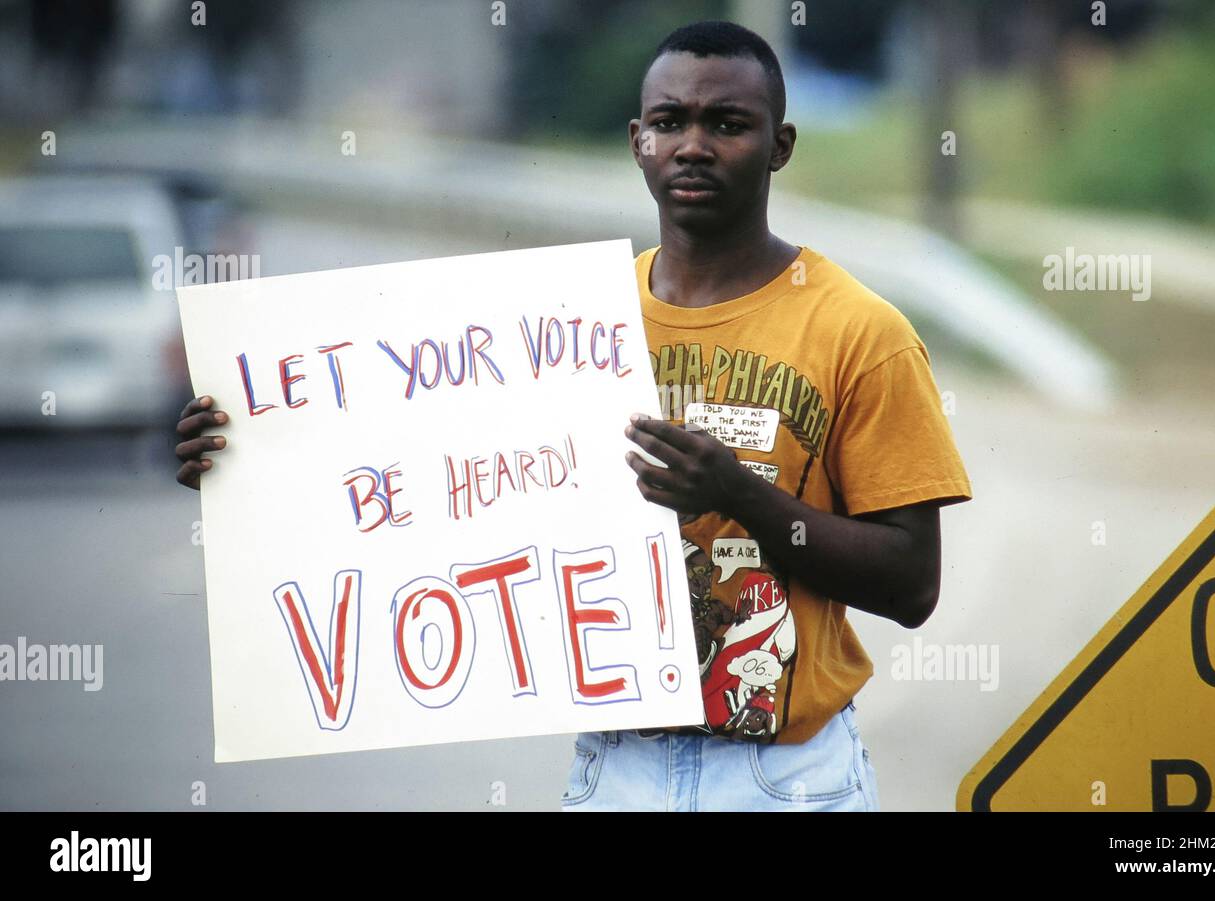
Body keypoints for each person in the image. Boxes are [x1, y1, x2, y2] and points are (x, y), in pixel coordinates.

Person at [174, 19, 973, 813]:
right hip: (614, 771)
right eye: (669, 122)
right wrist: (252, 466)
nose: (693, 145)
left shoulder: (860, 333)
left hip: (787, 781)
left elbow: (912, 584)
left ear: (780, 144)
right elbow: (434, 491)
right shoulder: (559, 333)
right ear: (636, 141)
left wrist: (743, 495)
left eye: (727, 124)